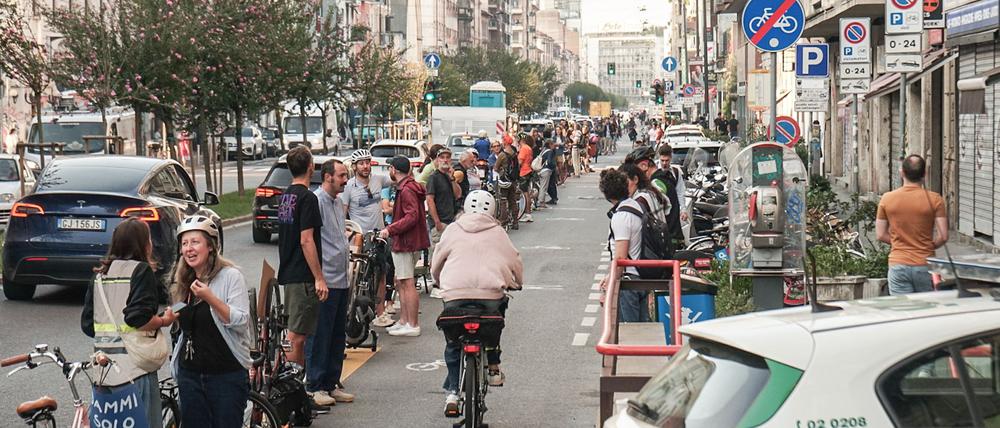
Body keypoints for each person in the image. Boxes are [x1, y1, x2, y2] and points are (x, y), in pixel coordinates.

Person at [432, 190, 523, 416]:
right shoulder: (498, 232)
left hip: (455, 294)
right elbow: (515, 259)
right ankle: (493, 365)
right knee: (495, 321)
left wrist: (438, 280)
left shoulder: (453, 229)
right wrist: (517, 282)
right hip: (490, 295)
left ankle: (453, 392)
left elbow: (437, 260)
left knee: (453, 342)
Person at [82, 218, 172, 428]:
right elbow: (137, 318)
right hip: (135, 369)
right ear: (143, 244)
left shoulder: (99, 277)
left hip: (104, 371)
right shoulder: (141, 271)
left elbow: (88, 325)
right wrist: (164, 320)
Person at [171, 216, 253, 427]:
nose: (189, 248)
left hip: (225, 376)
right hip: (191, 376)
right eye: (184, 243)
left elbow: (241, 321)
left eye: (195, 242)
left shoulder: (230, 277)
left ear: (210, 246)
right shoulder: (184, 281)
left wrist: (210, 298)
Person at [306, 159, 355, 406]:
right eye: (342, 175)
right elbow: (310, 241)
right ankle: (315, 385)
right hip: (326, 279)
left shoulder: (337, 202)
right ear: (328, 177)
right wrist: (318, 277)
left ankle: (331, 382)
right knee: (320, 334)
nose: (346, 180)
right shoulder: (317, 201)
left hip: (341, 277)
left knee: (337, 334)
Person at [277, 146, 327, 368]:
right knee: (297, 336)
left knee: (294, 333)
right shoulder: (307, 198)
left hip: (289, 271)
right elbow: (306, 239)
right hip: (302, 275)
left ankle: (291, 380)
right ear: (310, 167)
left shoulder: (286, 196)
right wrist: (318, 277)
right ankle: (291, 384)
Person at [876, 155, 947, 295]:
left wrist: (899, 242)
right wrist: (927, 246)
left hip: (898, 264)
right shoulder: (935, 200)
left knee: (903, 309)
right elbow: (943, 236)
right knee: (927, 310)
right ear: (924, 174)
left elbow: (880, 234)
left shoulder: (887, 198)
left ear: (902, 172)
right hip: (925, 265)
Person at [379, 155, 431, 336]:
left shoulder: (406, 189)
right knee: (402, 281)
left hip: (406, 242)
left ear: (394, 170)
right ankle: (404, 320)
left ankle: (412, 323)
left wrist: (390, 229)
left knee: (407, 282)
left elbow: (412, 216)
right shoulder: (409, 186)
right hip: (411, 241)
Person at [341, 149, 392, 330]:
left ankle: (380, 312)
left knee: (381, 271)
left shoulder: (378, 179)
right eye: (361, 163)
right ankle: (352, 306)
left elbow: (397, 178)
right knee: (355, 272)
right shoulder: (349, 186)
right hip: (359, 236)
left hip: (378, 234)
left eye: (368, 162)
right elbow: (343, 211)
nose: (365, 166)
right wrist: (345, 231)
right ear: (354, 167)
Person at [598, 169, 648, 322]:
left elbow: (620, 257)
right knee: (641, 329)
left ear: (606, 193)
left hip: (629, 281)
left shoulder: (621, 216)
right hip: (642, 275)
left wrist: (610, 286)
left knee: (629, 332)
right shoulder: (636, 206)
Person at [426, 146, 462, 299]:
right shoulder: (433, 178)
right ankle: (435, 285)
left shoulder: (448, 177)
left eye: (448, 158)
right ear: (437, 160)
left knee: (449, 255)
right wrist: (437, 221)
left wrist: (452, 178)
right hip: (439, 222)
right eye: (442, 158)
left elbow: (458, 194)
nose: (445, 160)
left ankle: (445, 283)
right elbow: (430, 200)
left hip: (450, 221)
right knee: (437, 254)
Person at [652, 145, 687, 245]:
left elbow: (680, 192)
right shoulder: (653, 172)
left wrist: (683, 210)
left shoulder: (676, 172)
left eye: (667, 160)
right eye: (662, 160)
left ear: (671, 158)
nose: (664, 163)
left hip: (673, 212)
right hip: (657, 211)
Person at [494, 136, 521, 229]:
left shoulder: (502, 155)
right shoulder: (514, 154)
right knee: (513, 201)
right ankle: (515, 222)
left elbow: (495, 168)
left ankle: (503, 220)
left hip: (504, 181)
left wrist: (501, 171)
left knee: (503, 200)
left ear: (504, 143)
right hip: (513, 181)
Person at [517, 135, 535, 223]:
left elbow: (520, 161)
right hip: (528, 170)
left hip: (523, 172)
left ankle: (527, 213)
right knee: (526, 193)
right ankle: (527, 213)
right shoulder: (529, 148)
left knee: (524, 194)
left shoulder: (523, 148)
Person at [536, 139, 556, 208]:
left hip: (541, 170)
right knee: (544, 187)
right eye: (553, 144)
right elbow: (550, 161)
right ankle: (541, 201)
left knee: (542, 186)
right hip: (546, 170)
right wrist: (553, 166)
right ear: (550, 145)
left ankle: (542, 201)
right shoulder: (550, 151)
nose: (554, 146)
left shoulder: (543, 151)